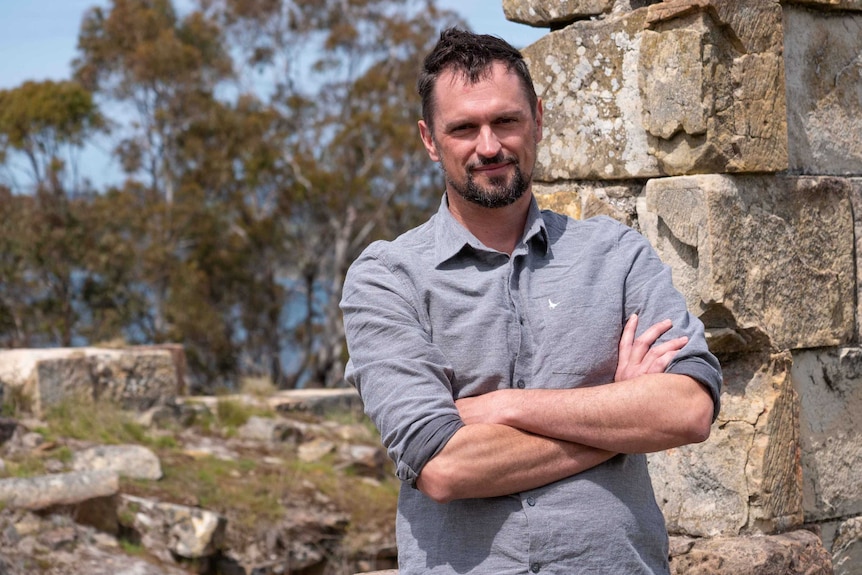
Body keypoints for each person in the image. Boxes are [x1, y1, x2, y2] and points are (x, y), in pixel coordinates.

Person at [340, 27, 722, 575]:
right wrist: (618, 412)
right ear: (429, 140)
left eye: (507, 121)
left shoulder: (616, 255)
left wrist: (506, 407)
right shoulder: (387, 278)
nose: (489, 146)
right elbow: (444, 467)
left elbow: (687, 409)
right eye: (464, 128)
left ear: (538, 119)